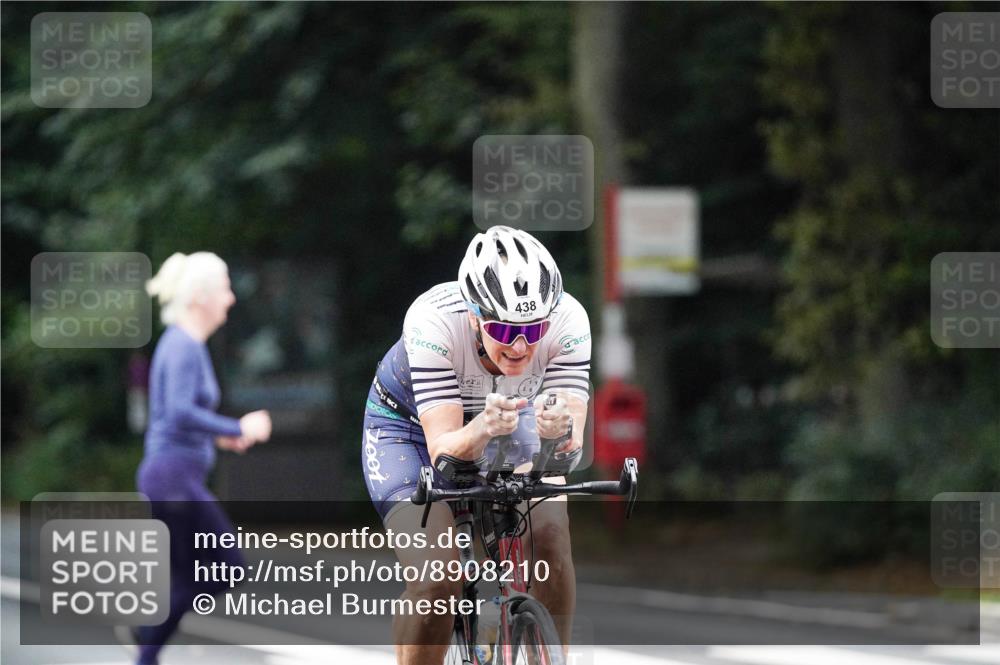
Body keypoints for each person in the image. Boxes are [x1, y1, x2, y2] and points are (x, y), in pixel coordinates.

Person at [361, 226, 591, 664]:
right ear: (474, 316)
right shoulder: (432, 321)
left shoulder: (568, 319)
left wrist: (558, 431)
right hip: (410, 430)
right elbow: (445, 451)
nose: (521, 346)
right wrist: (482, 428)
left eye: (534, 329)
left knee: (550, 535)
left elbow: (568, 448)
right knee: (437, 580)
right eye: (503, 329)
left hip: (512, 422)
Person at [128, 252, 272, 665]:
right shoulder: (183, 345)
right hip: (173, 480)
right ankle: (148, 638)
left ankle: (147, 641)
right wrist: (237, 427)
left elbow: (176, 418)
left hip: (172, 476)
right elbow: (177, 412)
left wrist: (221, 439)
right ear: (200, 297)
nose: (231, 298)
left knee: (189, 578)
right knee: (229, 567)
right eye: (224, 289)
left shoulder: (186, 344)